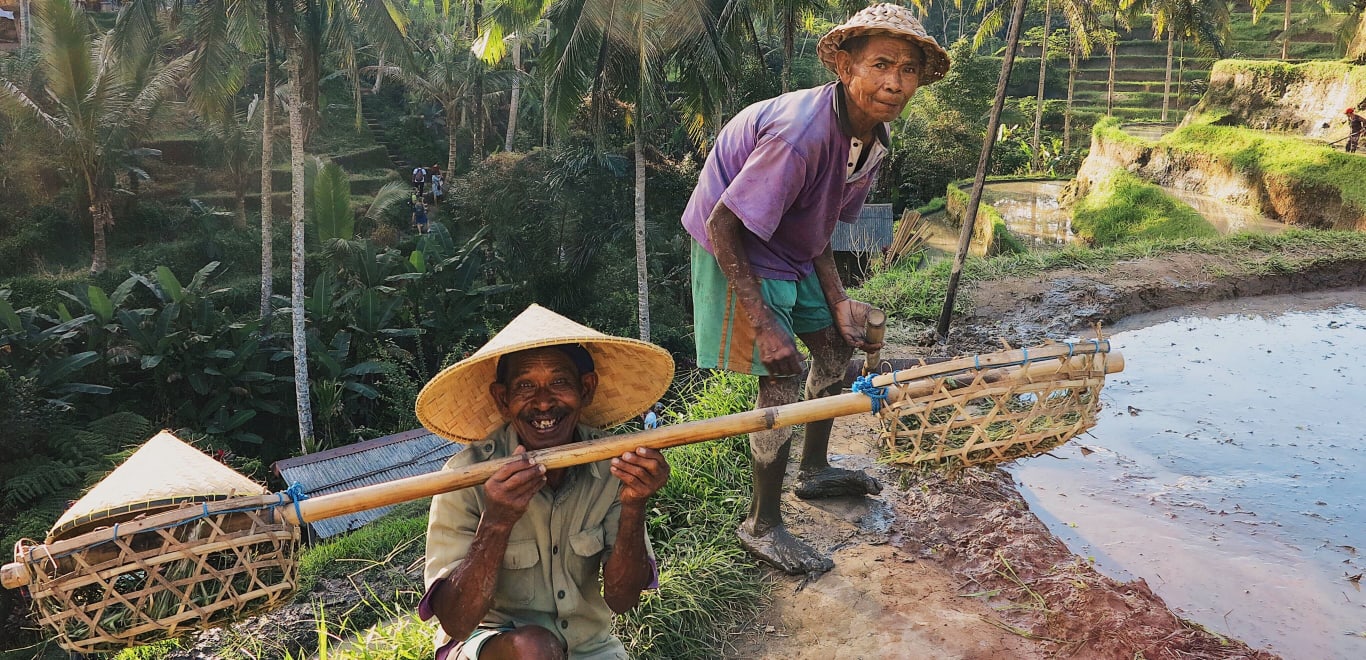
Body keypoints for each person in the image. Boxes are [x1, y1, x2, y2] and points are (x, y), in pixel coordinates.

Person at [680, 3, 949, 575]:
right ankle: (762, 523)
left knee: (833, 347)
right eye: (880, 64)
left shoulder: (872, 141)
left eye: (907, 70)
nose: (894, 82)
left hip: (789, 242)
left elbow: (820, 224)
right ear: (846, 67)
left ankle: (814, 469)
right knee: (778, 376)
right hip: (739, 245)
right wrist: (767, 323)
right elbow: (723, 224)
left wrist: (838, 302)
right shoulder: (801, 135)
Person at [415, 304, 676, 660]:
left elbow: (623, 599)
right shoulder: (465, 477)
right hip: (491, 646)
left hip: (589, 647)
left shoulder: (613, 465)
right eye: (525, 386)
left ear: (586, 389)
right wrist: (496, 522)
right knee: (534, 650)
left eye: (558, 382)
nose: (543, 403)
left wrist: (634, 505)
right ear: (503, 398)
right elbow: (457, 622)